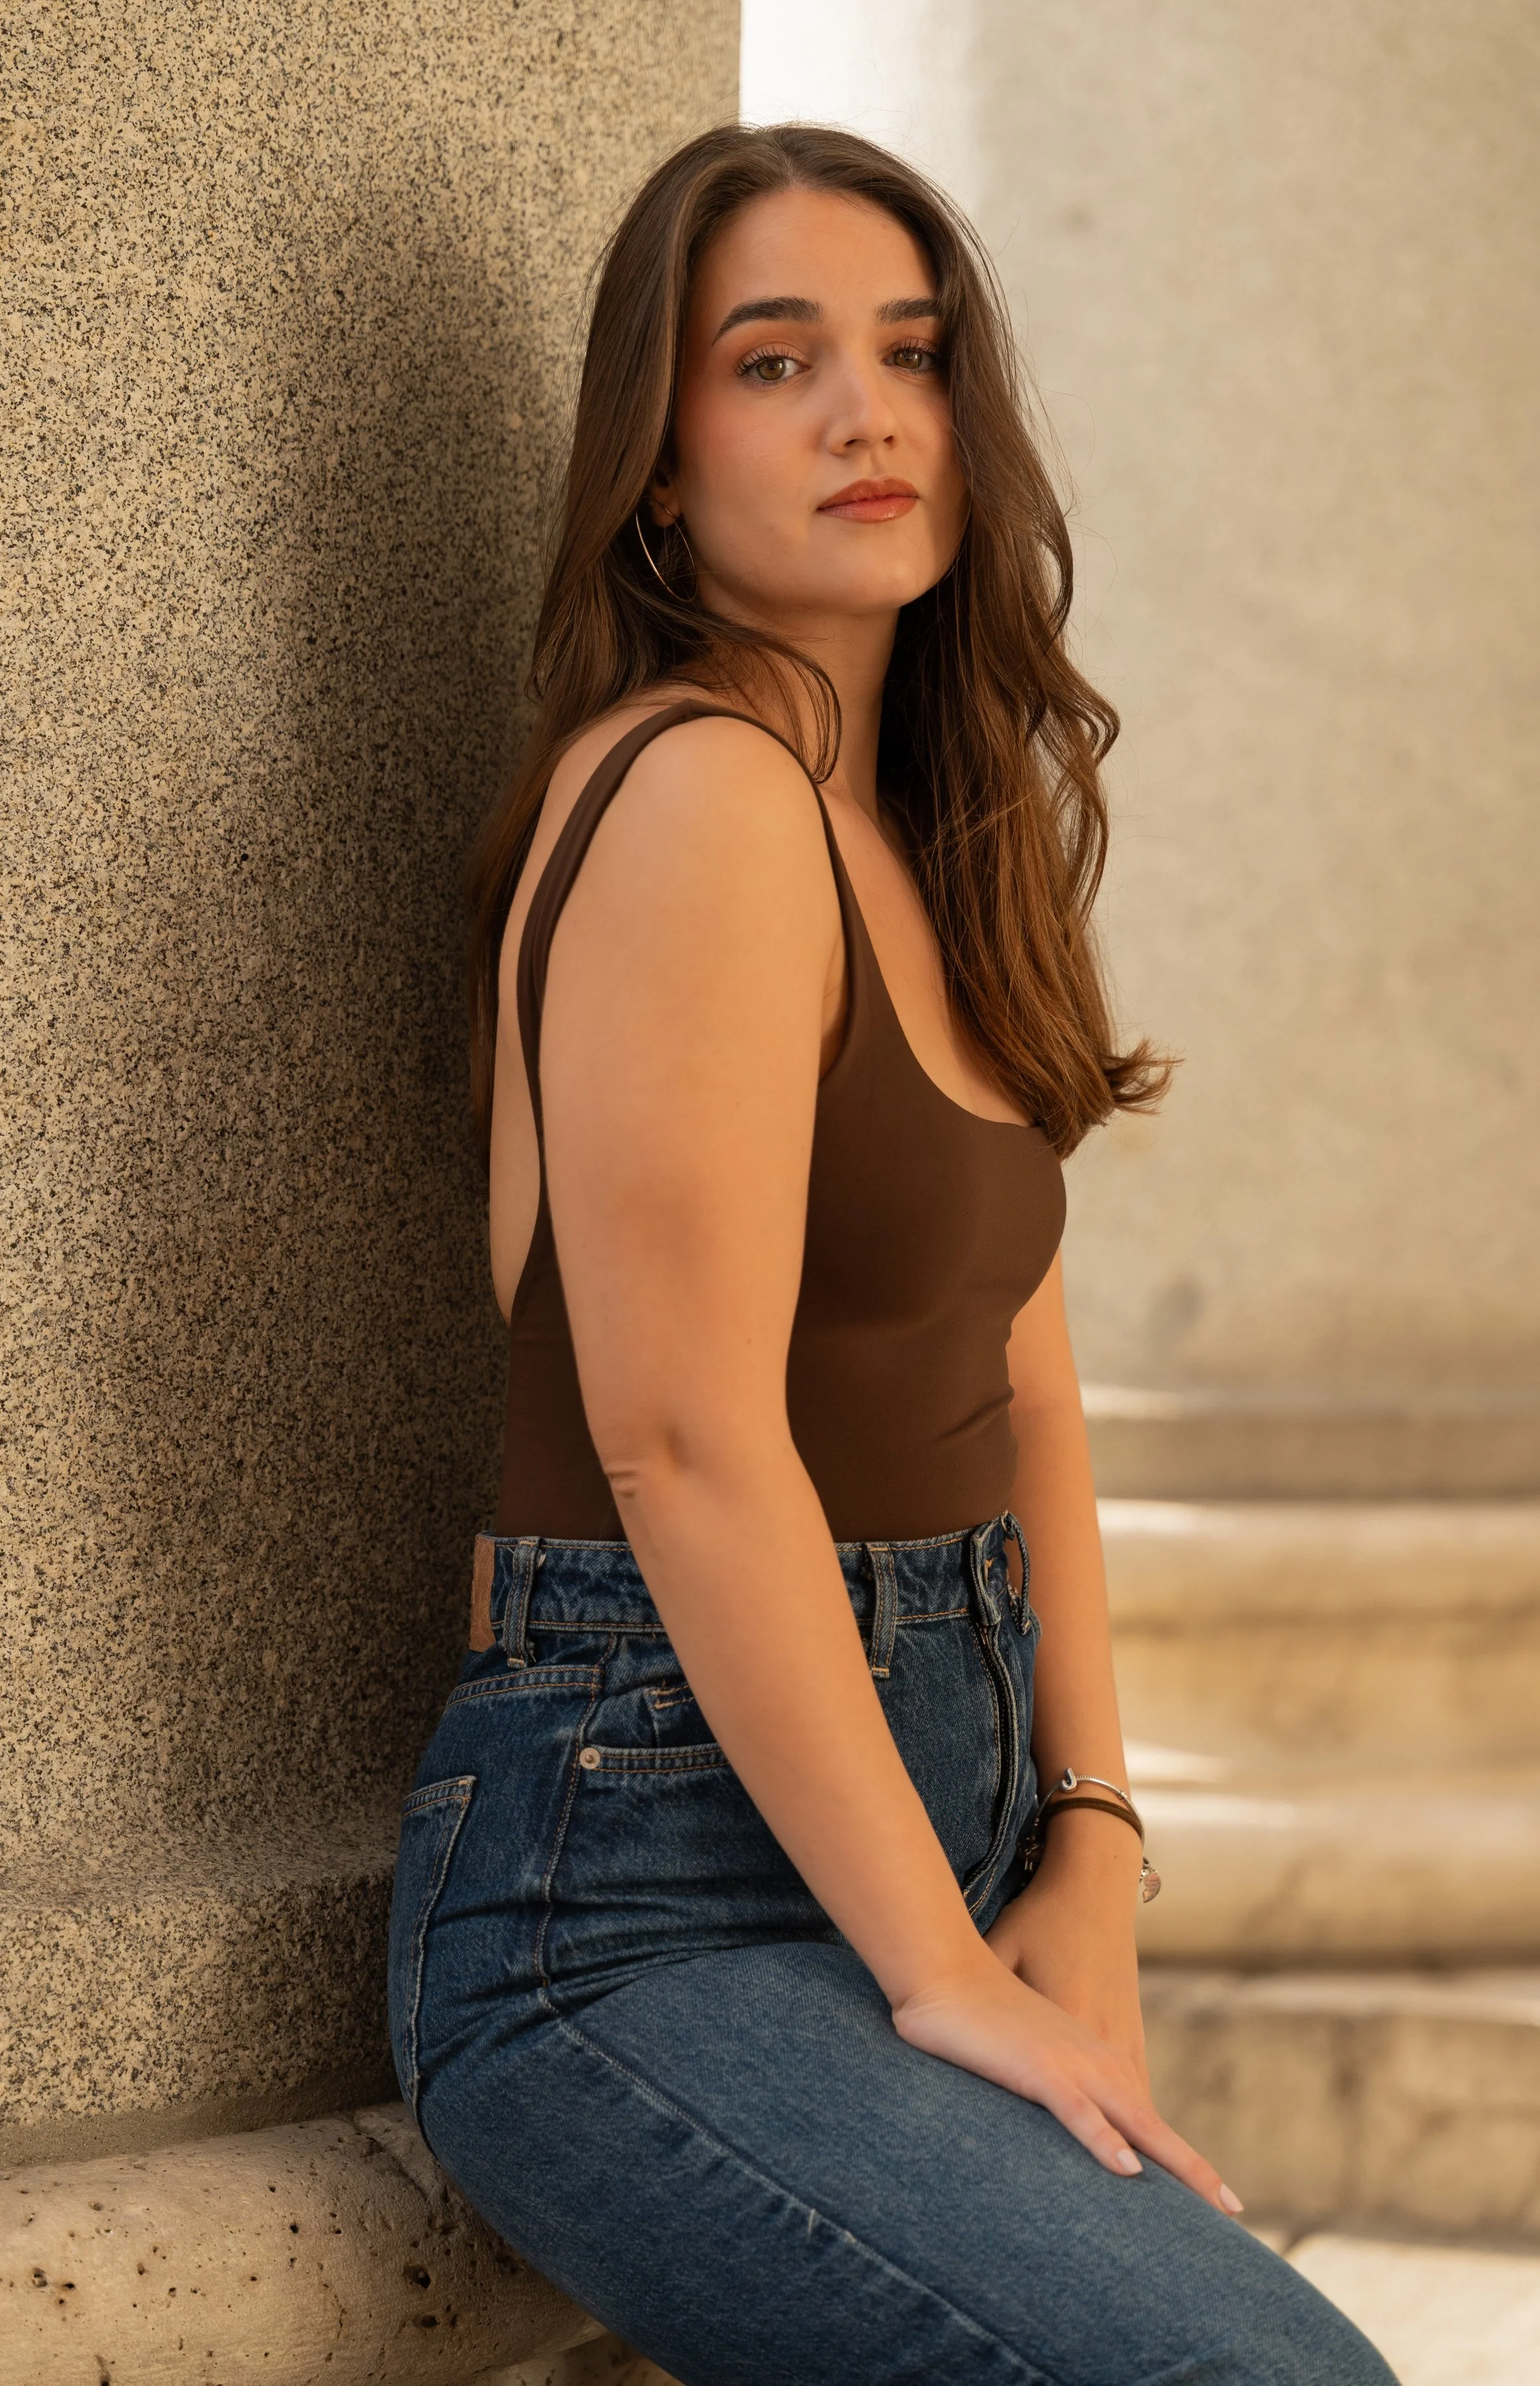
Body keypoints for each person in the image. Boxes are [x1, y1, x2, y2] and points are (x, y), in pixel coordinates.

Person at [388, 125, 1394, 2386]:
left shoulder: (921, 833)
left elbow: (1023, 1394)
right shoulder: (697, 796)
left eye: (914, 352)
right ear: (654, 469)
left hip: (934, 1833)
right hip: (629, 1901)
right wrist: (940, 1970)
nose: (870, 413)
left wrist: (1089, 1859)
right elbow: (677, 1440)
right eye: (775, 362)